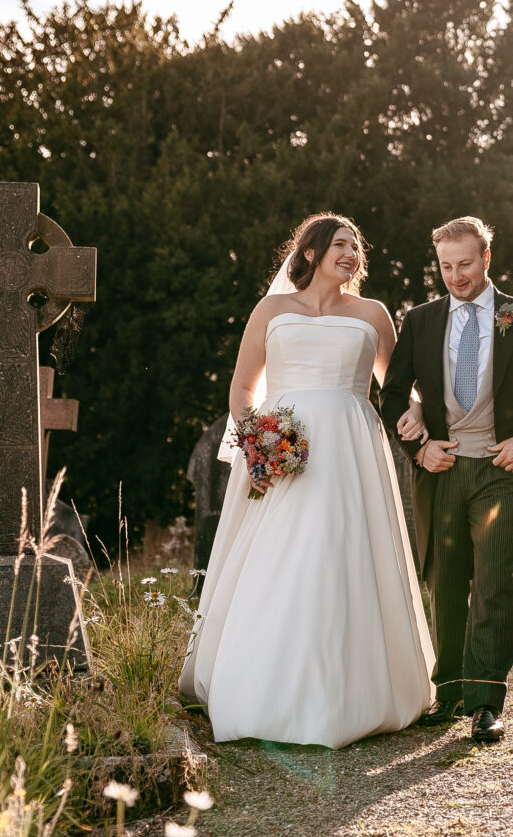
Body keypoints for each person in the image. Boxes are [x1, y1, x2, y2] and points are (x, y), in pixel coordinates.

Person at [180, 213, 435, 746]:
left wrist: (416, 415)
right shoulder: (272, 310)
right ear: (312, 252)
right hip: (284, 447)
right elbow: (242, 389)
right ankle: (261, 688)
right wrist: (259, 445)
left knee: (341, 553)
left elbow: (393, 389)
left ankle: (349, 693)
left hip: (349, 447)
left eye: (355, 248)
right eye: (340, 244)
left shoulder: (373, 313)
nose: (350, 254)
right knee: (278, 556)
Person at [382, 216, 513, 743]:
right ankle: (448, 693)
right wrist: (418, 450)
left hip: (501, 471)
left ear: (486, 258)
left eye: (465, 264)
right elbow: (392, 395)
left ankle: (486, 701)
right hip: (442, 473)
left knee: (493, 584)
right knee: (444, 583)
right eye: (446, 266)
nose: (456, 276)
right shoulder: (419, 321)